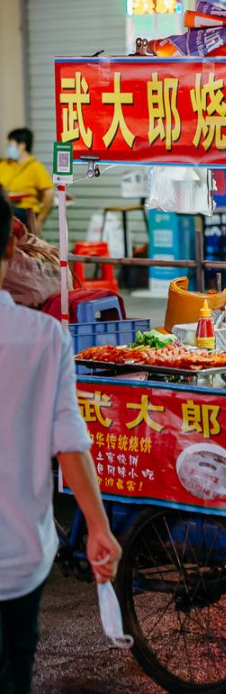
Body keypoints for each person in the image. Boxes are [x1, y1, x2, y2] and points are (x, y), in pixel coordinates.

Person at [0, 194, 121, 693]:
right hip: (19, 555)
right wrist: (98, 528)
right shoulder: (45, 338)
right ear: (12, 241)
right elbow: (69, 442)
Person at [0, 128, 54, 234]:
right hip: (5, 206)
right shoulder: (4, 165)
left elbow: (49, 194)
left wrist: (40, 220)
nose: (9, 148)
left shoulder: (36, 167)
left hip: (24, 211)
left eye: (11, 144)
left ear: (22, 146)